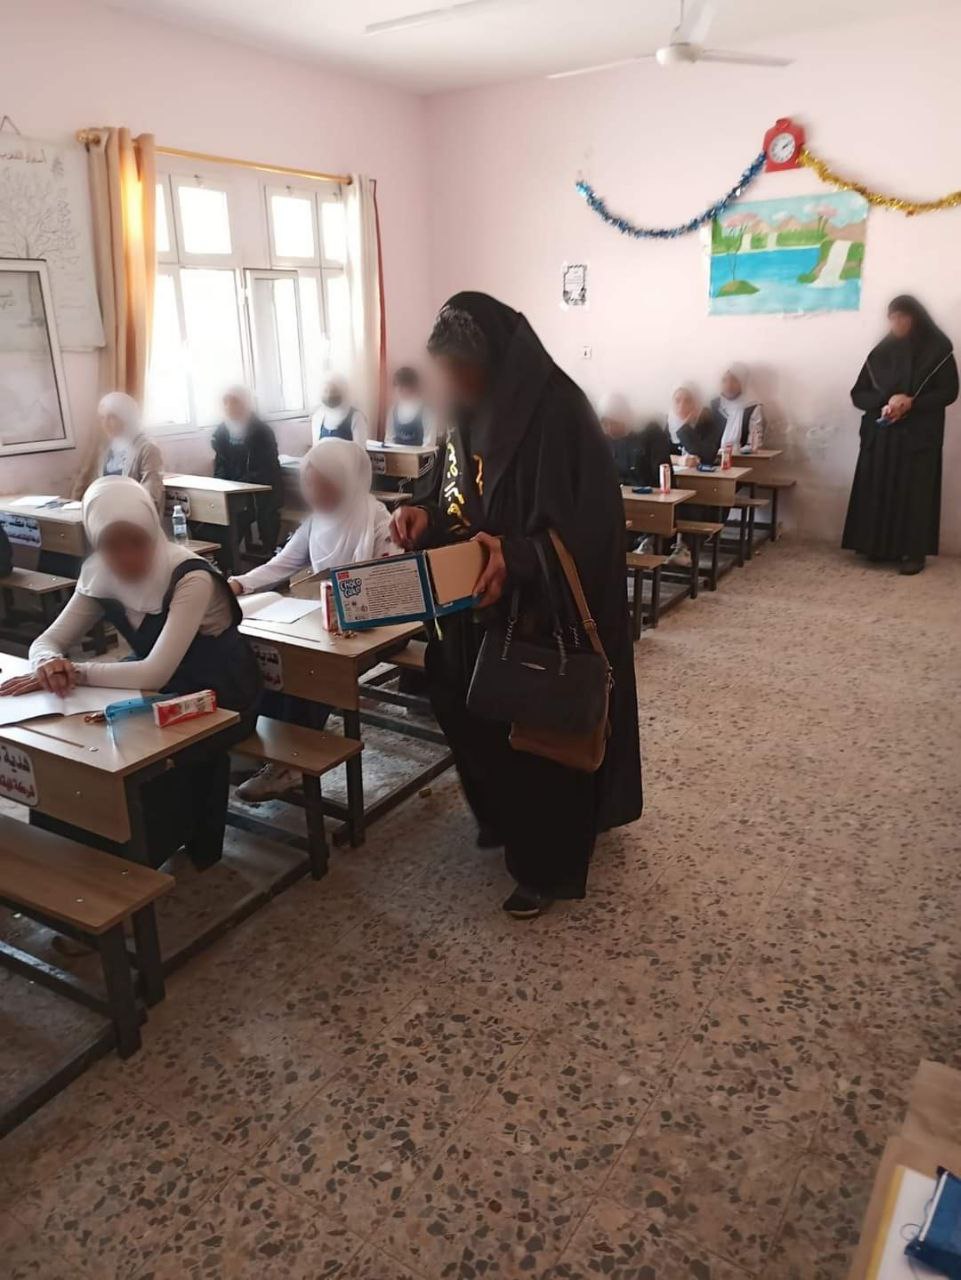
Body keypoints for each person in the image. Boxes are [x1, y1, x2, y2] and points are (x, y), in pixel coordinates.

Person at [391, 291, 642, 919]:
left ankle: (545, 867)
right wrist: (421, 511)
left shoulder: (557, 412)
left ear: (496, 363)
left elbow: (593, 527)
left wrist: (520, 556)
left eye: (463, 373)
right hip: (471, 604)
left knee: (539, 733)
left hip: (540, 614)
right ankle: (502, 818)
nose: (455, 386)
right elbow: (451, 490)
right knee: (457, 698)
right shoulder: (464, 412)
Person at [1, 477, 261, 868]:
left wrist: (74, 670)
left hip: (219, 694)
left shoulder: (190, 577)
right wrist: (46, 663)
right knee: (77, 749)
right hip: (152, 689)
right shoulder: (98, 573)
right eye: (110, 544)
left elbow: (154, 672)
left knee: (138, 762)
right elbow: (47, 641)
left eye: (137, 541)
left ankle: (131, 862)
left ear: (153, 531)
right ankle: (68, 859)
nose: (125, 557)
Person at [229, 438, 398, 800]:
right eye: (309, 484)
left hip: (372, 630)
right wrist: (239, 583)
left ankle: (289, 762)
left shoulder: (378, 522)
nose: (312, 494)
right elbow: (282, 564)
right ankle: (265, 746)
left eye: (320, 484)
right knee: (265, 654)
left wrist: (351, 607)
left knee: (308, 666)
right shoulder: (316, 522)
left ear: (344, 482)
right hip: (324, 621)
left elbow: (389, 589)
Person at [843, 295, 958, 575]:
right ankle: (876, 547)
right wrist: (885, 402)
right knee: (879, 489)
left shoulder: (938, 350)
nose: (896, 323)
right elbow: (858, 394)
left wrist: (912, 403)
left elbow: (949, 392)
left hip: (918, 438)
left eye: (902, 317)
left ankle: (913, 553)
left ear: (916, 318)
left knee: (914, 494)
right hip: (882, 437)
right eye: (892, 318)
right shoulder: (881, 352)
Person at [210, 384, 283, 556]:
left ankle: (262, 553)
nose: (229, 407)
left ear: (244, 403)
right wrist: (221, 486)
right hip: (234, 490)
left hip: (262, 491)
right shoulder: (222, 432)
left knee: (243, 517)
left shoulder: (261, 432)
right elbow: (220, 465)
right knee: (214, 522)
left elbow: (266, 468)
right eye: (226, 402)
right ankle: (224, 560)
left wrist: (242, 485)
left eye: (234, 402)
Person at [92, 391, 165, 513]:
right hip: (108, 513)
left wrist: (123, 511)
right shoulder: (106, 449)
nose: (105, 424)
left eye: (112, 417)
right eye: (102, 418)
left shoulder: (148, 449)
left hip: (137, 514)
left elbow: (151, 494)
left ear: (127, 417)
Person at [711, 363, 765, 452]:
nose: (729, 385)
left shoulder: (752, 407)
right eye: (725, 380)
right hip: (715, 458)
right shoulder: (715, 405)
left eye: (734, 380)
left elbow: (754, 444)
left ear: (742, 382)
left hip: (742, 458)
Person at [667, 384, 721, 464]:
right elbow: (661, 456)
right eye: (677, 401)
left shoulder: (707, 423)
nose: (681, 405)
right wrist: (679, 460)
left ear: (696, 403)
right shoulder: (668, 423)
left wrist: (684, 428)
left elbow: (707, 457)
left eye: (687, 401)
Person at [311, 375, 368, 446]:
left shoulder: (356, 417)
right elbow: (316, 448)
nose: (329, 395)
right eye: (326, 391)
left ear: (343, 392)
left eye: (333, 391)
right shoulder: (318, 416)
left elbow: (359, 450)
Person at [598, 392, 642, 485]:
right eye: (605, 424)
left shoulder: (642, 439)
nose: (610, 428)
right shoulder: (603, 442)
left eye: (614, 423)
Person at [386, 366, 435, 447]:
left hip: (419, 454)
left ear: (413, 387)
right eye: (398, 386)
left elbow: (428, 443)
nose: (400, 390)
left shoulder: (426, 411)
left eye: (403, 386)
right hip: (396, 454)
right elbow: (389, 439)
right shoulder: (393, 410)